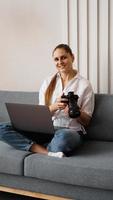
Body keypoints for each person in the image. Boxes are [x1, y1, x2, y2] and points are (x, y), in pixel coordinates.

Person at [0, 44, 94, 158]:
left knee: (63, 139)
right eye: (56, 59)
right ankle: (47, 152)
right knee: (2, 128)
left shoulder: (84, 85)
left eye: (63, 57)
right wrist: (54, 107)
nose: (60, 62)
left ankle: (37, 146)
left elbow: (87, 121)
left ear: (72, 57)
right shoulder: (47, 82)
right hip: (46, 130)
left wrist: (75, 112)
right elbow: (39, 115)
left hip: (69, 131)